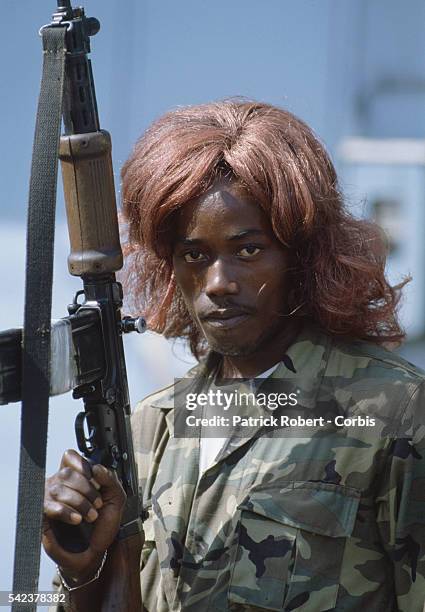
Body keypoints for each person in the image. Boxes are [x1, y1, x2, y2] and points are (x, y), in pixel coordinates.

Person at [43, 100, 425, 611]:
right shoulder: (149, 428)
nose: (219, 284)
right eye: (194, 255)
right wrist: (82, 569)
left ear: (303, 256)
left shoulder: (395, 412)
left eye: (248, 250)